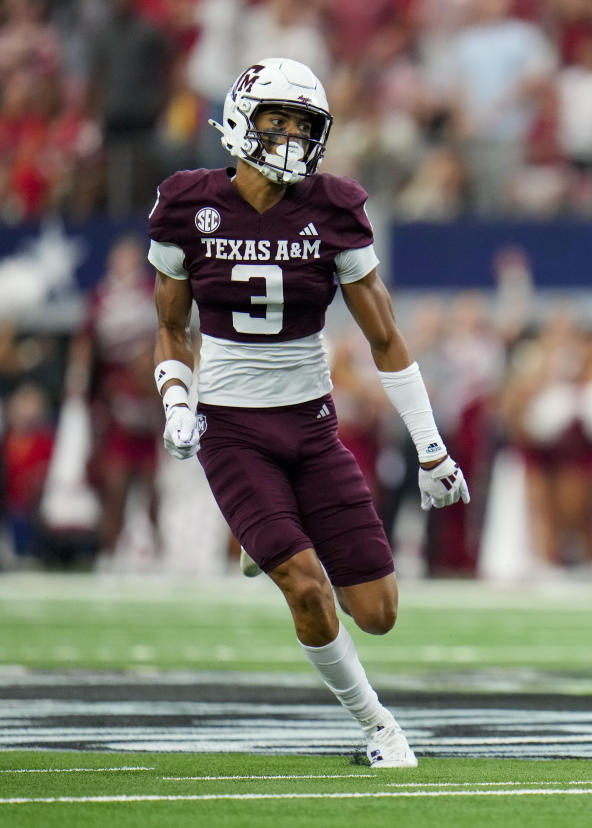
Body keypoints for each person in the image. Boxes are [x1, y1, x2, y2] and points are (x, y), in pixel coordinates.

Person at [148, 58, 469, 768]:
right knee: (305, 584)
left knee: (378, 613)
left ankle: (264, 533)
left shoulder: (334, 207)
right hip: (231, 428)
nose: (292, 136)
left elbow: (385, 337)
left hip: (312, 424)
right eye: (278, 120)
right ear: (239, 121)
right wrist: (177, 400)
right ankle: (379, 729)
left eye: (303, 124)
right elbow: (173, 327)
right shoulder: (187, 204)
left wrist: (431, 448)